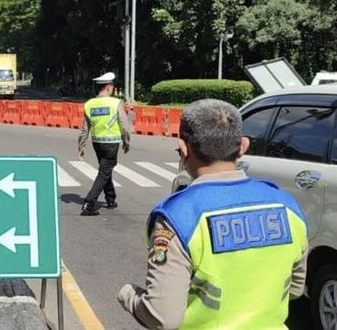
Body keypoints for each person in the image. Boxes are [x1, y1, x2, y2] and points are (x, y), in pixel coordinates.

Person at [118, 99, 308, 329]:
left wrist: (128, 295)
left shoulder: (178, 217)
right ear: (243, 147)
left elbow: (162, 317)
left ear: (183, 148)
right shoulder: (288, 206)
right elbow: (295, 289)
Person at [77, 72, 131, 216]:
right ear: (108, 87)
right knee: (104, 172)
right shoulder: (115, 103)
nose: (112, 88)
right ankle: (89, 203)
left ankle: (110, 199)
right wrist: (126, 141)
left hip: (97, 143)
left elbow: (84, 129)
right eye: (112, 86)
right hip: (112, 143)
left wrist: (81, 147)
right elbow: (124, 124)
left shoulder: (89, 104)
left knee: (105, 170)